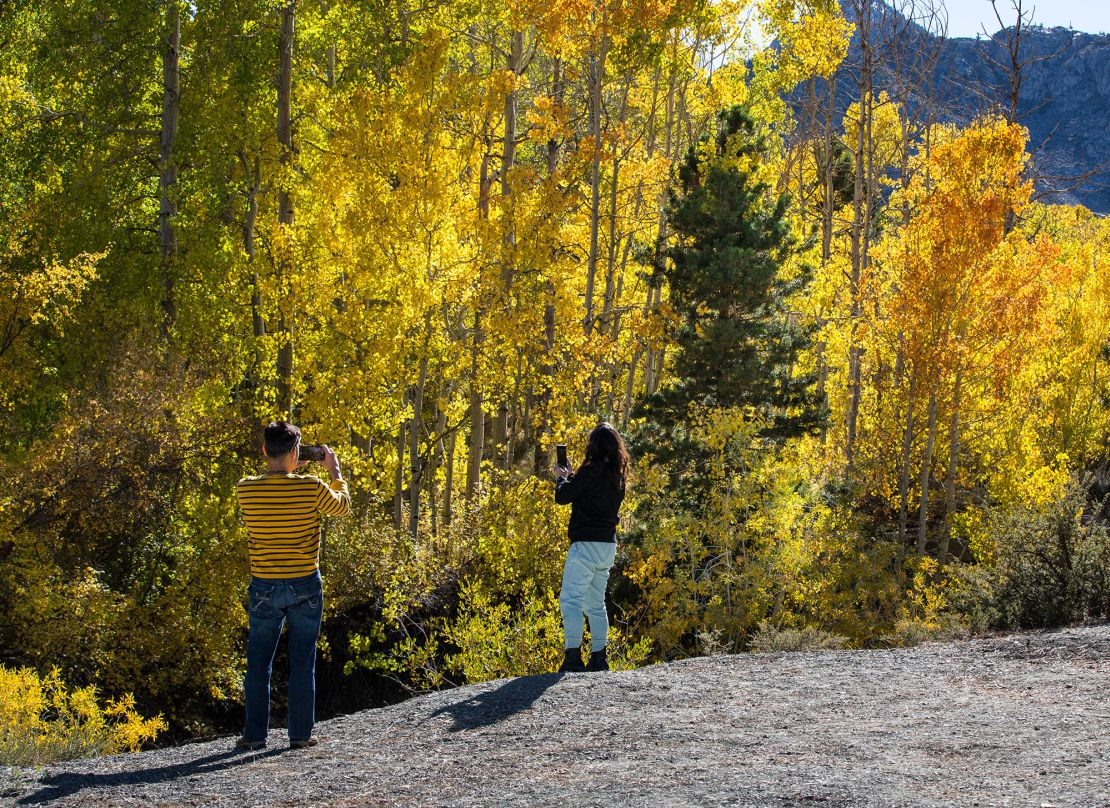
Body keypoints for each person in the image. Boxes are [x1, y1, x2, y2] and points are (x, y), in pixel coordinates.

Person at [234, 421, 351, 751]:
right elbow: (342, 506)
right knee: (302, 660)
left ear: (263, 451)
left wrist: (287, 465)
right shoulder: (312, 487)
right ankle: (299, 734)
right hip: (304, 584)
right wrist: (335, 470)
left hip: (264, 586)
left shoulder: (246, 489)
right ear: (297, 452)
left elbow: (274, 489)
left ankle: (255, 735)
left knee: (258, 663)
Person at [552, 422, 630, 673]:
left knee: (571, 602)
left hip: (584, 545)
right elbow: (593, 494)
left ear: (594, 446)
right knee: (596, 604)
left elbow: (563, 497)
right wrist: (573, 478)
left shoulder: (590, 471)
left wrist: (562, 480)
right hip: (607, 545)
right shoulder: (618, 476)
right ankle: (599, 658)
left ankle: (573, 658)